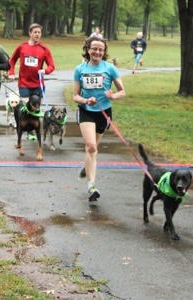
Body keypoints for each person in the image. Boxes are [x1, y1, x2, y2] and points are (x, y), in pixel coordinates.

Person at [73, 36, 126, 201]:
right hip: (86, 110)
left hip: (104, 112)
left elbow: (122, 91)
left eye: (100, 49)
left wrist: (113, 96)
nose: (97, 52)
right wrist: (86, 100)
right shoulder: (79, 69)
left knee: (93, 150)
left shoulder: (110, 69)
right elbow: (75, 96)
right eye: (94, 48)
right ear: (88, 49)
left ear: (104, 52)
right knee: (91, 147)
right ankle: (91, 186)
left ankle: (87, 167)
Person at [8, 23, 55, 140]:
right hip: (24, 84)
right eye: (35, 32)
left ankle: (33, 130)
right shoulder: (22, 47)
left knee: (36, 110)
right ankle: (26, 130)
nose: (37, 34)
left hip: (38, 84)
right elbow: (12, 60)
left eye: (39, 32)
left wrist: (45, 70)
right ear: (30, 33)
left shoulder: (44, 49)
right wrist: (11, 72)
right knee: (25, 108)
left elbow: (52, 66)